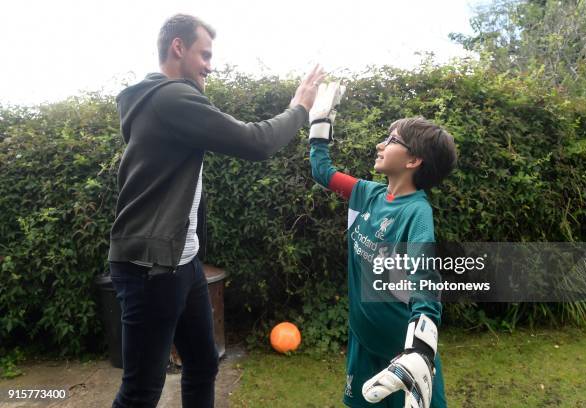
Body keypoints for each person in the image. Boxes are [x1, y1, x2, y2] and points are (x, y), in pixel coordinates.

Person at [107, 13, 324, 408]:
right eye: (204, 54)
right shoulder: (171, 97)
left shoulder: (160, 103)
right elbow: (255, 142)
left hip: (182, 262)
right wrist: (299, 107)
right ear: (178, 48)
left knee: (203, 364)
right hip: (150, 267)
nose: (210, 64)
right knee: (141, 390)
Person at [308, 83, 457, 408]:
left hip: (403, 354)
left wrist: (420, 348)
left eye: (391, 140)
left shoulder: (416, 212)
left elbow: (424, 274)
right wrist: (319, 124)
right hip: (363, 340)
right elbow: (322, 171)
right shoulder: (367, 193)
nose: (381, 144)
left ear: (414, 159)